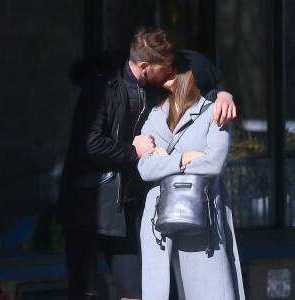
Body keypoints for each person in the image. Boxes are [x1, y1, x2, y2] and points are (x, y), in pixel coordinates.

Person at [57, 27, 237, 300]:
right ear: (145, 66)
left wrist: (222, 95)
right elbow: (86, 143)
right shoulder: (103, 86)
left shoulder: (152, 89)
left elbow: (191, 87)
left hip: (126, 211)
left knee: (135, 293)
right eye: (166, 66)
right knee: (84, 293)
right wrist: (133, 151)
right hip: (88, 208)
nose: (170, 71)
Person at [137, 66, 245, 299]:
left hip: (202, 221)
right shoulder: (155, 114)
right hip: (159, 227)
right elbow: (145, 168)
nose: (165, 75)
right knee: (162, 290)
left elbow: (213, 164)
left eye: (173, 71)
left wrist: (165, 164)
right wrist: (186, 158)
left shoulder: (214, 112)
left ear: (189, 77)